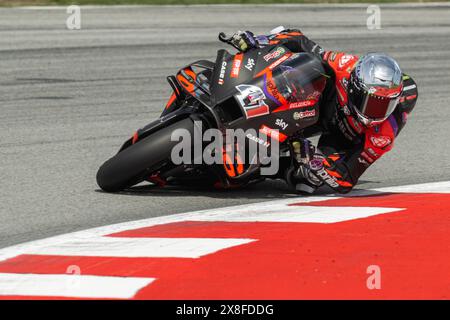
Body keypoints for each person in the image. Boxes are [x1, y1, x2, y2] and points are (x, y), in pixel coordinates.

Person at [227, 27, 418, 193]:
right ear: (355, 88)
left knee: (307, 182)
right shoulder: (346, 65)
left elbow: (347, 180)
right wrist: (260, 41)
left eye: (386, 105)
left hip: (342, 137)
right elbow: (300, 41)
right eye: (373, 102)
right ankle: (242, 83)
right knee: (308, 64)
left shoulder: (383, 134)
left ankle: (267, 166)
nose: (377, 112)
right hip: (323, 103)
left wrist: (315, 161)